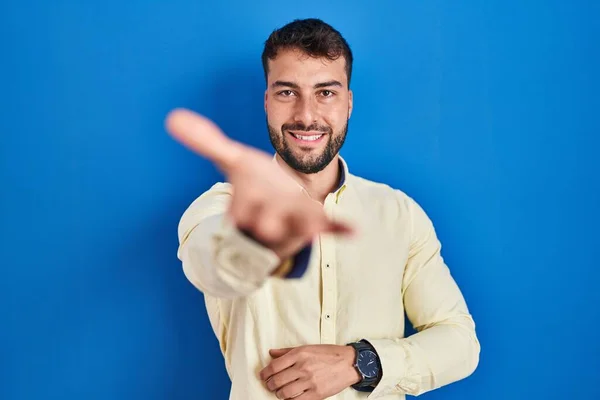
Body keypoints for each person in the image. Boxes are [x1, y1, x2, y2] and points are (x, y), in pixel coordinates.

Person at [167, 18, 480, 400]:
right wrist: (256, 239)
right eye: (287, 92)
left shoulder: (400, 212)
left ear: (348, 102)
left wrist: (361, 362)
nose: (306, 115)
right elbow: (209, 266)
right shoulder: (221, 207)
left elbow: (460, 342)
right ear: (266, 101)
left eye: (326, 93)